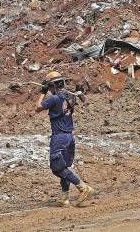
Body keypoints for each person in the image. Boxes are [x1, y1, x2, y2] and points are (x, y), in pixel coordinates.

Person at [35, 71, 93, 207]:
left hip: (59, 137)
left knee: (57, 168)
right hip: (69, 137)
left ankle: (83, 187)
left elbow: (37, 108)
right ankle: (65, 197)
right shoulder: (70, 97)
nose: (49, 89)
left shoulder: (54, 99)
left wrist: (42, 92)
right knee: (64, 167)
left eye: (49, 87)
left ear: (52, 86)